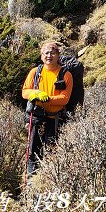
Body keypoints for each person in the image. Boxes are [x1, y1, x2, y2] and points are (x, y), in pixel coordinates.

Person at [22, 40, 73, 176]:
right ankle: (30, 183)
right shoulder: (35, 72)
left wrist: (48, 99)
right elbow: (25, 92)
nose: (49, 56)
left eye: (52, 53)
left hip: (54, 119)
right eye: (46, 53)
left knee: (51, 152)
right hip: (37, 118)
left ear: (58, 55)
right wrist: (35, 93)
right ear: (41, 56)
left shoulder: (66, 75)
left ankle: (45, 181)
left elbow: (65, 98)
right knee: (32, 152)